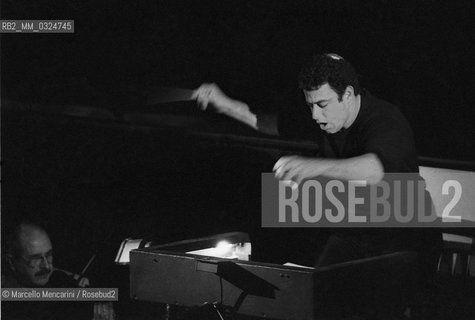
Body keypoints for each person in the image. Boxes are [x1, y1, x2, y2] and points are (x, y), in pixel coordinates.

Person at [193, 53, 441, 275]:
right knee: (317, 295)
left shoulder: (385, 119)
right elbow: (267, 123)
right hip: (356, 231)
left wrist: (314, 167)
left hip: (406, 237)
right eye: (310, 105)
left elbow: (377, 169)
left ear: (347, 94)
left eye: (322, 105)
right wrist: (225, 105)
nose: (315, 115)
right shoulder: (323, 116)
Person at [2, 222, 115, 320]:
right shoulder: (9, 306)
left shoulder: (58, 279)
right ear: (12, 262)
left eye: (49, 255)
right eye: (35, 259)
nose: (46, 266)